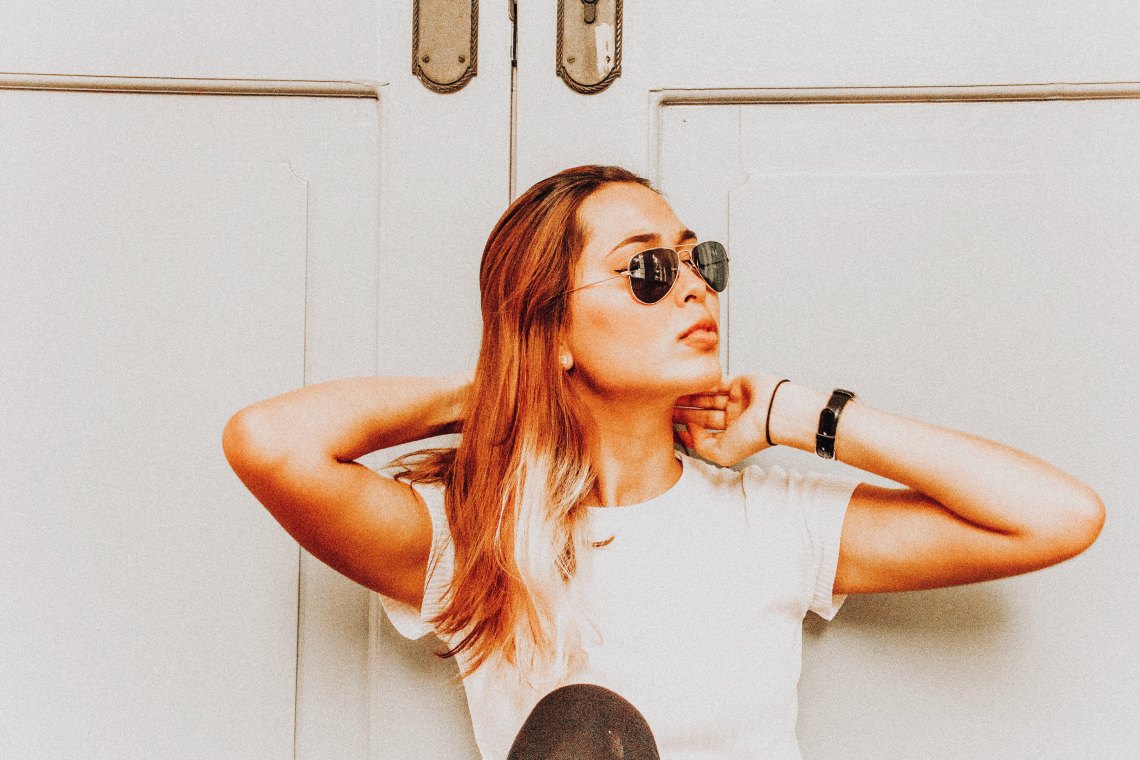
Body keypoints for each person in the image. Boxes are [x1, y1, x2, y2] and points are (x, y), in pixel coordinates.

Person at [221, 165, 1105, 759]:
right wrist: (504, 379)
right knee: (583, 721)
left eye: (699, 260)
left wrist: (802, 414)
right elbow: (268, 442)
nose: (694, 287)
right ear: (554, 325)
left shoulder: (770, 518)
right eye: (647, 270)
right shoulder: (475, 539)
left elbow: (1058, 517)